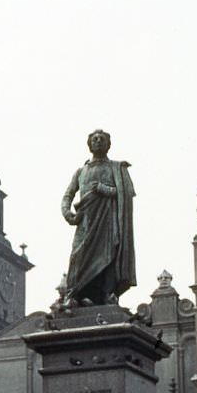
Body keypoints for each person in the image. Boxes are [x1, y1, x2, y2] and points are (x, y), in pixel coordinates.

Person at [60, 129, 136, 306]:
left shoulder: (116, 168)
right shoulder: (81, 171)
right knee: (78, 256)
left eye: (102, 139)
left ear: (109, 145)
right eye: (94, 139)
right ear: (89, 145)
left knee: (108, 256)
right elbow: (68, 195)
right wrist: (67, 213)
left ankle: (106, 294)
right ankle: (74, 295)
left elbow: (126, 194)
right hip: (85, 222)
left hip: (108, 223)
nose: (98, 141)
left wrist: (103, 189)